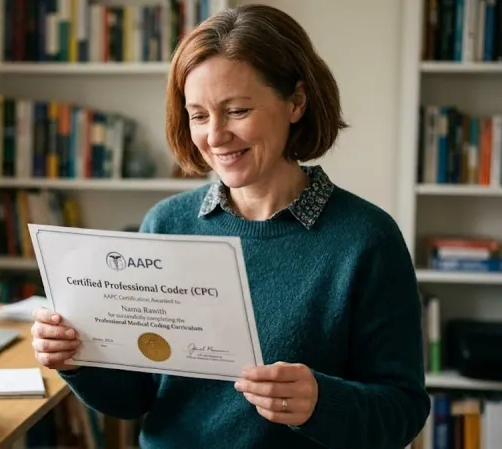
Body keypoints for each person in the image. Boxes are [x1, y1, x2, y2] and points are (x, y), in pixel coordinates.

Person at [30, 5, 430, 449]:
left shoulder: (366, 240)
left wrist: (321, 402)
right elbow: (136, 398)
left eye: (237, 110)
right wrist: (78, 360)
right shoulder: (166, 224)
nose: (215, 136)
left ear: (296, 102)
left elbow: (403, 411)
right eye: (198, 116)